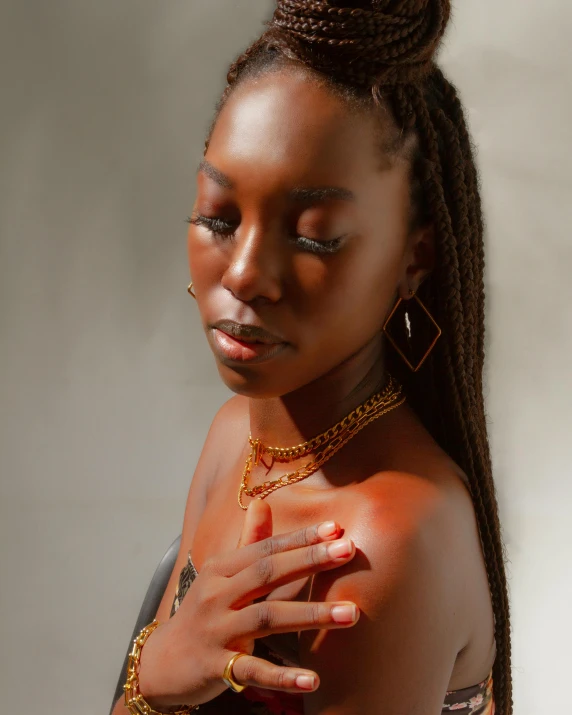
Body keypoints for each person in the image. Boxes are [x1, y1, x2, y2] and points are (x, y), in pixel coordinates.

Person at [112, 1, 512, 713]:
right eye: (219, 217)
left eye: (315, 236)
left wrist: (150, 684)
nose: (243, 274)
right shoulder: (237, 435)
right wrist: (158, 669)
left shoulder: (380, 544)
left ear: (414, 256)